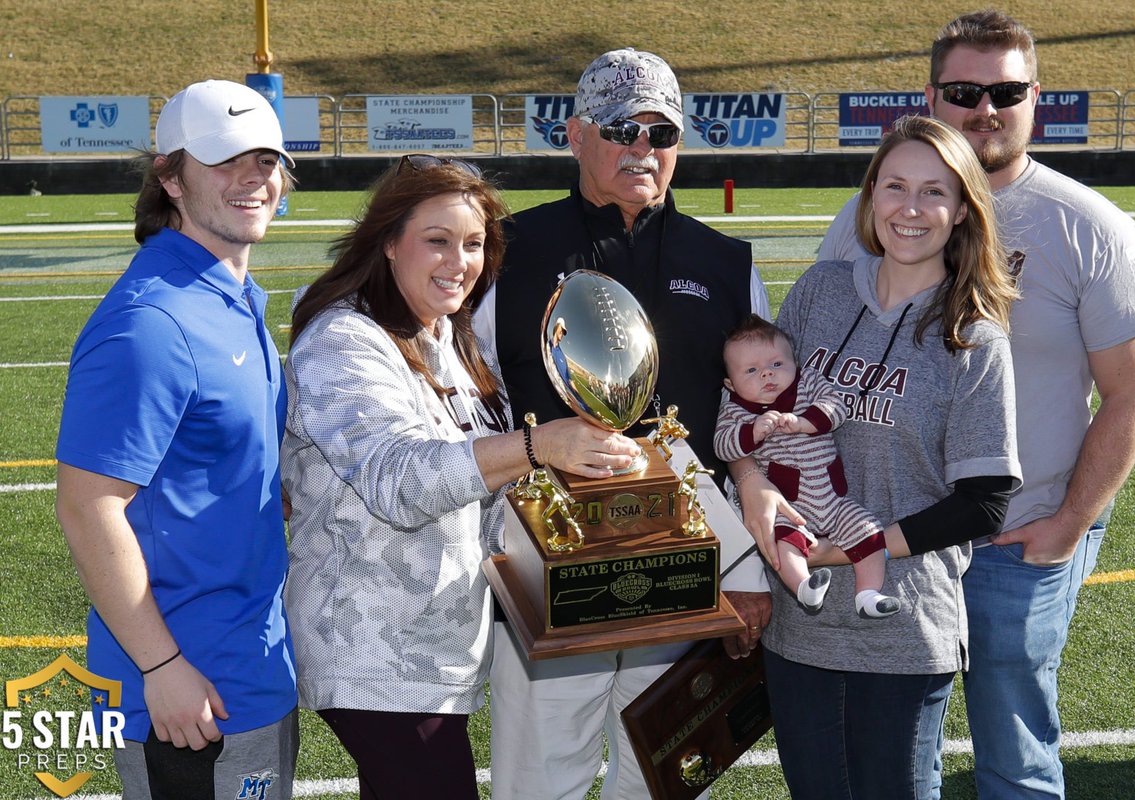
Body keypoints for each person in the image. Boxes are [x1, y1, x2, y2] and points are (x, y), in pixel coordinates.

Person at [815, 12, 1135, 798]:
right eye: (966, 90)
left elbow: (1134, 390)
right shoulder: (873, 214)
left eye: (1005, 90)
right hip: (900, 540)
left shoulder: (1090, 227)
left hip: (1020, 539)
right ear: (932, 96)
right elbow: (823, 359)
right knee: (902, 753)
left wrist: (1070, 523)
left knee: (1014, 753)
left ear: (1035, 97)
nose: (986, 108)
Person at [280, 155, 639, 800]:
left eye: (474, 244)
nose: (460, 261)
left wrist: (602, 495)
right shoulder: (345, 338)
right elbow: (400, 483)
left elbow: (486, 500)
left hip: (434, 650)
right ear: (388, 243)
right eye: (437, 241)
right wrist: (538, 445)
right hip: (374, 652)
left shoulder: (445, 333)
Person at [473, 47, 773, 800]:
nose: (643, 149)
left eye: (661, 133)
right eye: (621, 128)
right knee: (536, 785)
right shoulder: (506, 251)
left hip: (685, 571)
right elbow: (466, 402)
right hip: (550, 570)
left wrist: (747, 568)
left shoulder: (727, 263)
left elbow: (754, 428)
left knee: (660, 784)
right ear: (575, 135)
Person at [735, 114, 1023, 799]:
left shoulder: (972, 337)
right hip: (800, 626)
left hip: (902, 630)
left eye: (935, 192)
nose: (912, 209)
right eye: (895, 187)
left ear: (961, 212)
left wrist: (842, 552)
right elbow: (754, 412)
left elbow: (985, 502)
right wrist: (750, 483)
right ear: (870, 198)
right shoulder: (820, 291)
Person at [55, 79, 299, 799]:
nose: (253, 178)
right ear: (170, 177)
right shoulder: (152, 322)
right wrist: (161, 667)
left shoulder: (228, 298)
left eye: (266, 159)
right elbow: (87, 505)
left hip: (250, 668)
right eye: (225, 160)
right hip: (186, 692)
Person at [715, 314, 898, 619]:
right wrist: (753, 432)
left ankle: (868, 594)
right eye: (751, 370)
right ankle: (804, 587)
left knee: (870, 532)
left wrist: (804, 422)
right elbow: (722, 445)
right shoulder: (736, 409)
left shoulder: (809, 383)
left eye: (776, 364)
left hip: (834, 500)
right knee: (782, 542)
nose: (766, 375)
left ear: (795, 364)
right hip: (788, 506)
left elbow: (837, 406)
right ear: (730, 383)